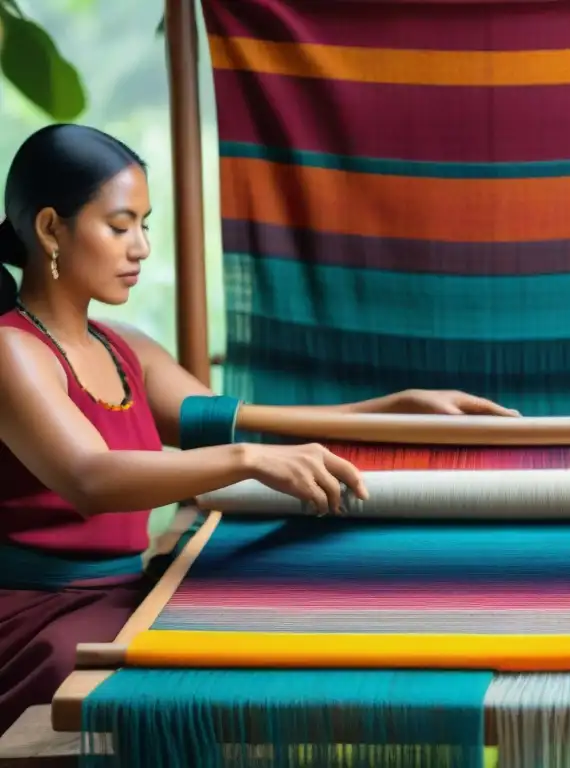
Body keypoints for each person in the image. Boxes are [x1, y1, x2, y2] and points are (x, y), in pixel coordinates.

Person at [0, 124, 518, 735]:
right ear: (51, 228)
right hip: (39, 617)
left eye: (145, 224)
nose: (140, 247)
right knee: (168, 687)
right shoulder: (14, 350)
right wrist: (248, 460)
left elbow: (234, 419)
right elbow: (90, 476)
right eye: (119, 226)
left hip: (124, 597)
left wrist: (393, 408)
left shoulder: (125, 348)